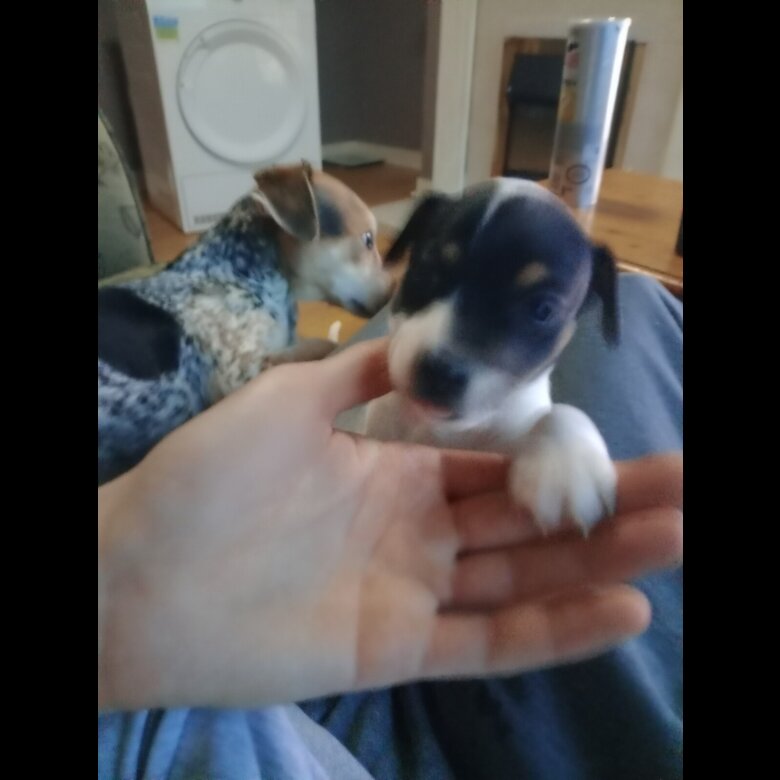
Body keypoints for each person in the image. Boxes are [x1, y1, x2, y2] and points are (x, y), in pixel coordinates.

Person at [99, 273, 683, 780]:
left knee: (631, 302)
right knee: (635, 303)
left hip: (227, 650)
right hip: (363, 684)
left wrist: (119, 579)